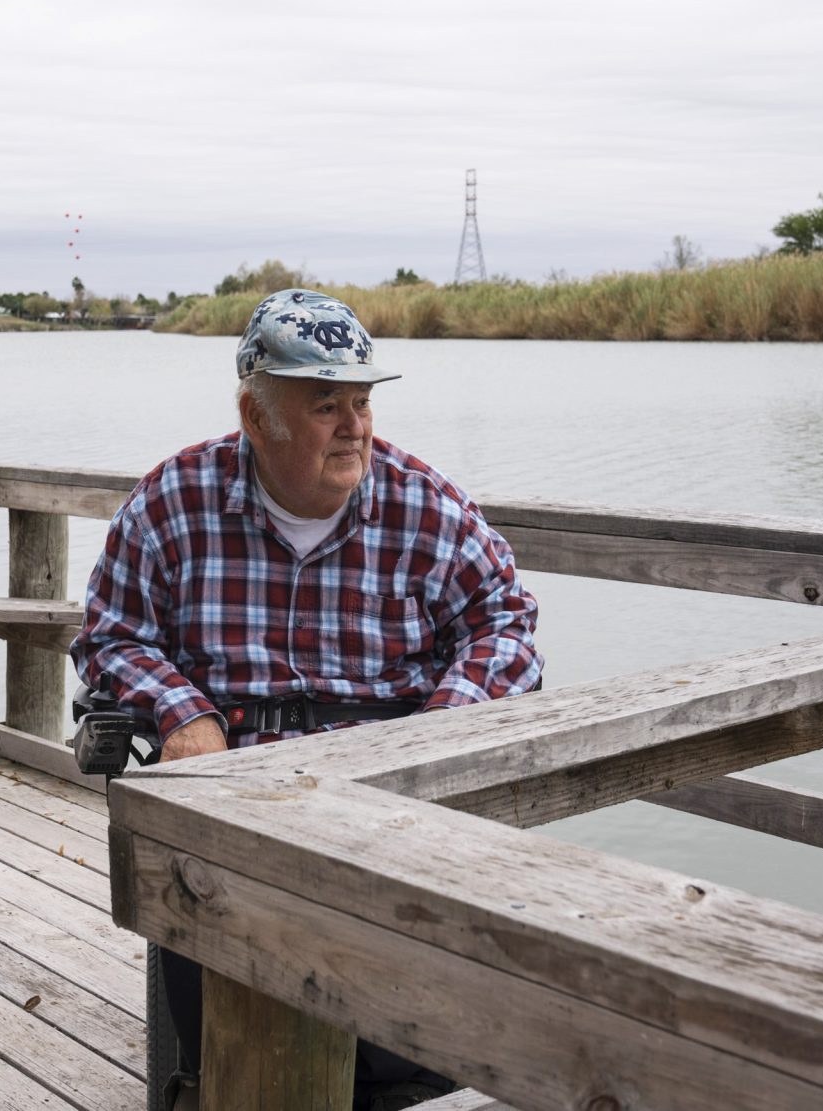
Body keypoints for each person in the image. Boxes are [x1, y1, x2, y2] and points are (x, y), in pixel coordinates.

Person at [71, 288, 543, 1110]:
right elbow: (111, 636)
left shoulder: (425, 504)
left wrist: (435, 734)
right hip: (232, 823)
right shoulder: (171, 502)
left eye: (361, 401)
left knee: (408, 1068)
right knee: (244, 1062)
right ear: (256, 417)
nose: (356, 426)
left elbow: (506, 623)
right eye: (327, 404)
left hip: (388, 817)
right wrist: (184, 711)